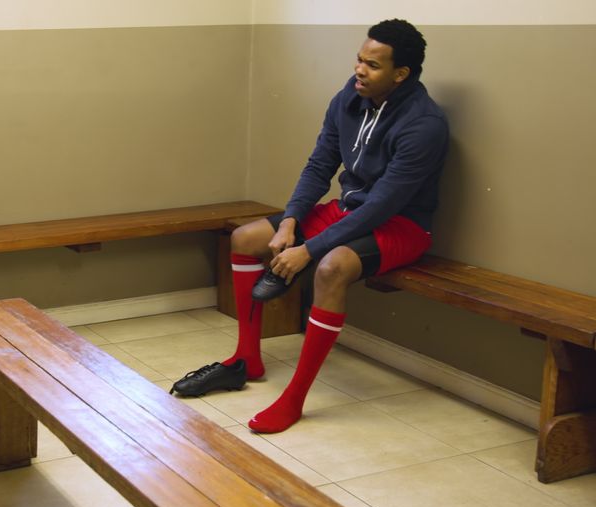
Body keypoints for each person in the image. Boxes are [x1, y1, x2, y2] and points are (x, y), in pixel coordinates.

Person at [172, 19, 448, 434]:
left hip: (400, 225)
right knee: (246, 238)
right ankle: (247, 359)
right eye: (359, 59)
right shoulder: (348, 98)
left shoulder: (424, 124)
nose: (359, 70)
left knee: (330, 267)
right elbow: (320, 165)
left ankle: (294, 398)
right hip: (349, 210)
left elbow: (382, 206)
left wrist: (309, 247)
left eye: (372, 65)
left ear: (401, 74)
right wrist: (290, 222)